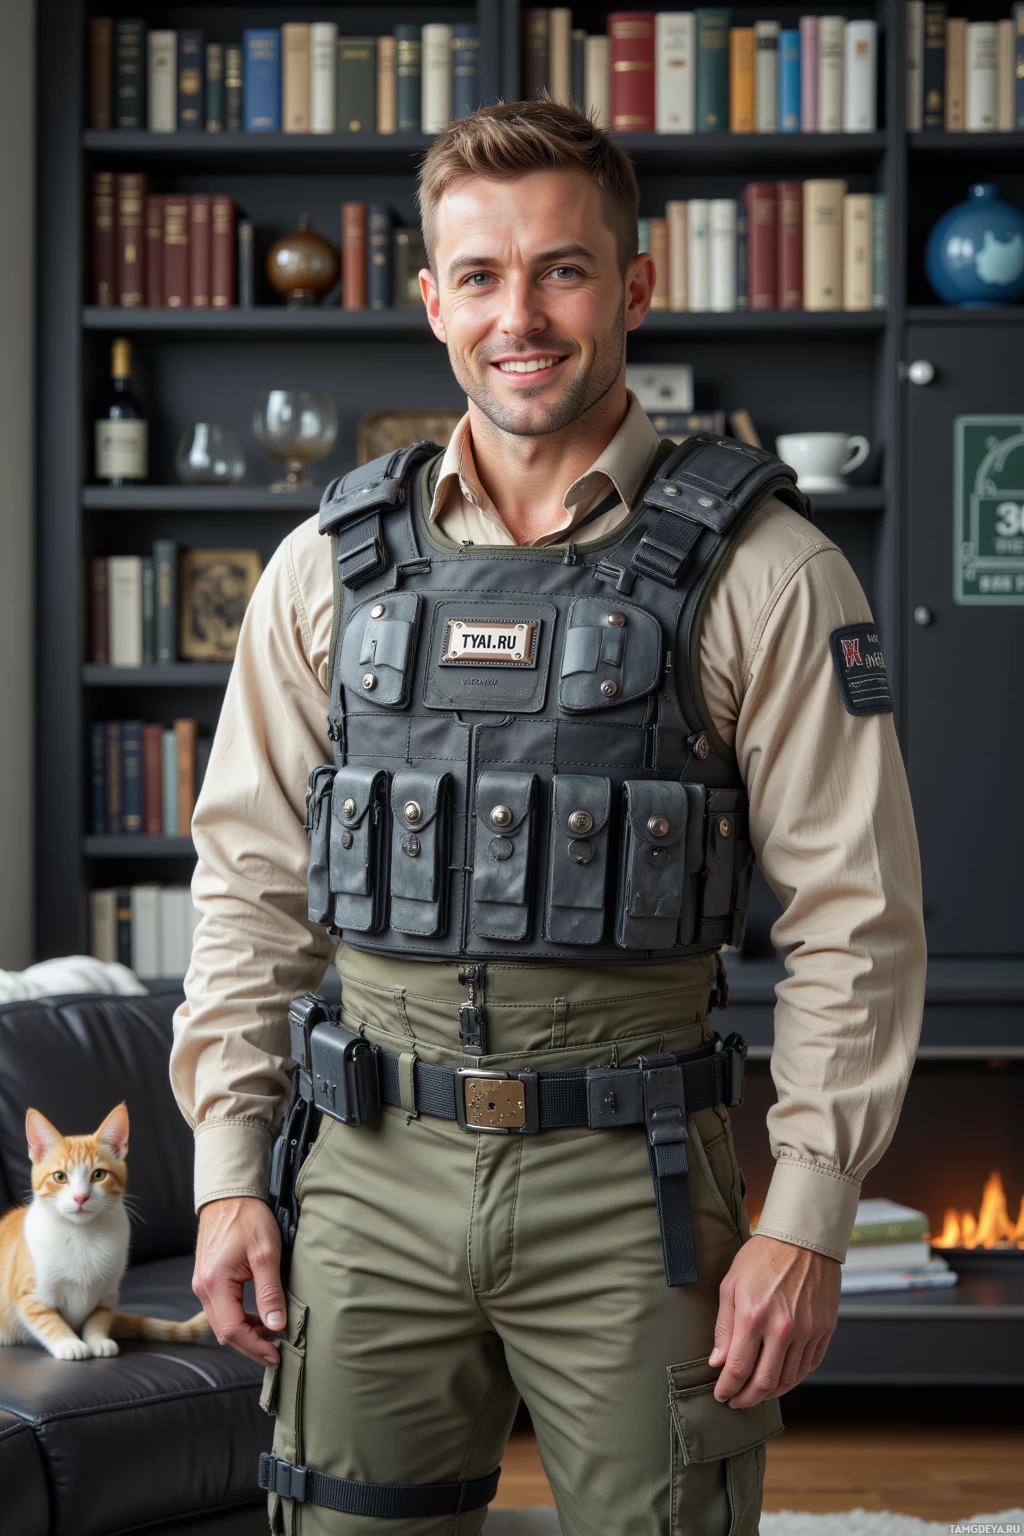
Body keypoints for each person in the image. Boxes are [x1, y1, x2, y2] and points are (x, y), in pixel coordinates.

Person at [170, 99, 927, 1536]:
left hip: (635, 1188)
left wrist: (804, 1220)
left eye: (564, 270)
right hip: (367, 1174)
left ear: (634, 287)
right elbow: (248, 892)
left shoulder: (769, 572)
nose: (521, 315)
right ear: (432, 302)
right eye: (481, 276)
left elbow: (857, 919)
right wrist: (224, 1178)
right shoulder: (324, 570)